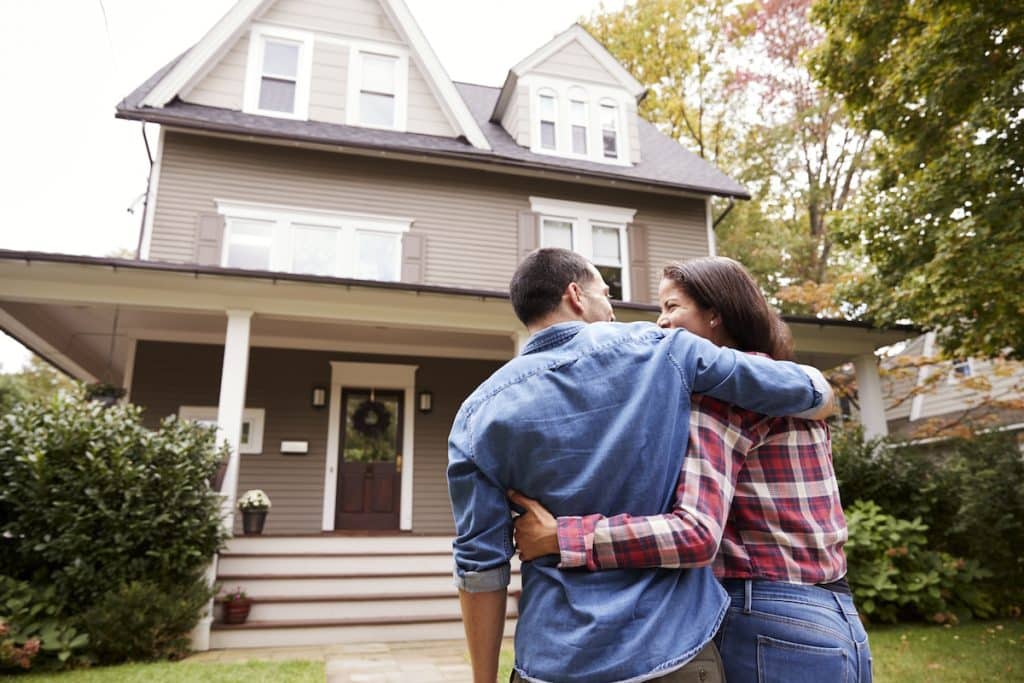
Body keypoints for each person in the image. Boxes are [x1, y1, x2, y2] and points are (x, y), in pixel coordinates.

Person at [447, 248, 835, 683]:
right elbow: (804, 390)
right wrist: (822, 392)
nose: (613, 309)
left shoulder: (475, 415)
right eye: (606, 293)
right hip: (670, 652)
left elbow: (480, 567)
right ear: (576, 295)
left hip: (553, 658)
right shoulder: (665, 351)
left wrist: (484, 678)